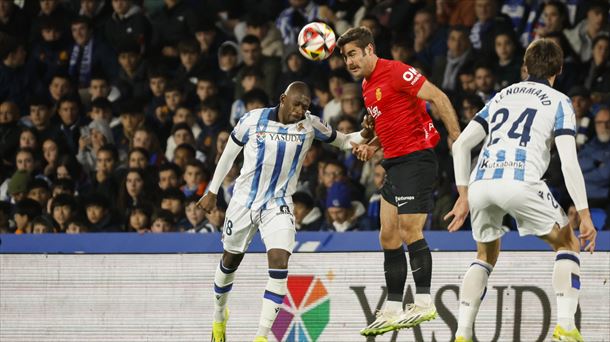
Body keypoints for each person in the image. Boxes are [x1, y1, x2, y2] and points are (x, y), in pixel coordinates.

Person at [445, 38, 597, 342]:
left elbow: (461, 144)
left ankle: (462, 334)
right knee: (567, 244)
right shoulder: (559, 101)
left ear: (525, 66)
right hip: (520, 181)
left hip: (481, 183)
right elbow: (568, 162)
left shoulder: (501, 95)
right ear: (560, 68)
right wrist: (584, 213)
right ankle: (566, 327)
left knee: (485, 254)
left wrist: (463, 194)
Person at [197, 81, 373, 342]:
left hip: (278, 203)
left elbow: (346, 141)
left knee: (280, 262)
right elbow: (228, 155)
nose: (301, 110)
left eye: (306, 106)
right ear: (283, 99)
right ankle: (219, 315)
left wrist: (366, 132)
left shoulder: (311, 124)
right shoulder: (252, 120)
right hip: (244, 201)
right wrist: (212, 191)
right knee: (230, 261)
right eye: (297, 104)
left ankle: (261, 336)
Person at [337, 26, 461, 336]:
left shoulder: (396, 72)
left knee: (409, 230)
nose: (349, 61)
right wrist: (371, 146)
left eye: (353, 54)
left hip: (417, 159)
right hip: (394, 164)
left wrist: (456, 135)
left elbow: (437, 96)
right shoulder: (367, 87)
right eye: (344, 57)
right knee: (388, 235)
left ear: (369, 50)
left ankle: (423, 302)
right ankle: (392, 307)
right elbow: (390, 123)